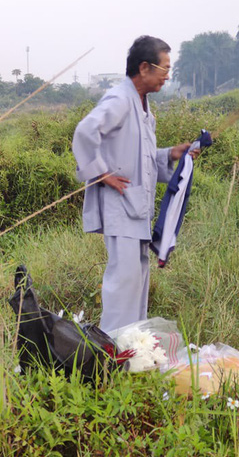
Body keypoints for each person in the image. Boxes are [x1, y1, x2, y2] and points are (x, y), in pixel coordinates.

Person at [72, 36, 198, 333]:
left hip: (137, 208)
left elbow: (141, 158)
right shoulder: (120, 99)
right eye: (164, 69)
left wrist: (171, 155)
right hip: (121, 206)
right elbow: (85, 132)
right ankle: (112, 353)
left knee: (136, 284)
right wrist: (102, 173)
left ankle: (131, 350)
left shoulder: (142, 105)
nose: (168, 76)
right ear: (144, 68)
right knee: (122, 285)